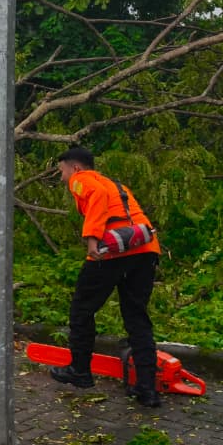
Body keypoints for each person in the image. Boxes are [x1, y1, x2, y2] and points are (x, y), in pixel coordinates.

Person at [50, 146, 163, 407]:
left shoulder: (82, 180)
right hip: (145, 249)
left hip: (111, 251)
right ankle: (147, 388)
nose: (62, 177)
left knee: (81, 310)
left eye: (62, 171)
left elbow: (97, 197)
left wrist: (92, 239)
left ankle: (79, 371)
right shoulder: (113, 183)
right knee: (137, 317)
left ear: (75, 167)